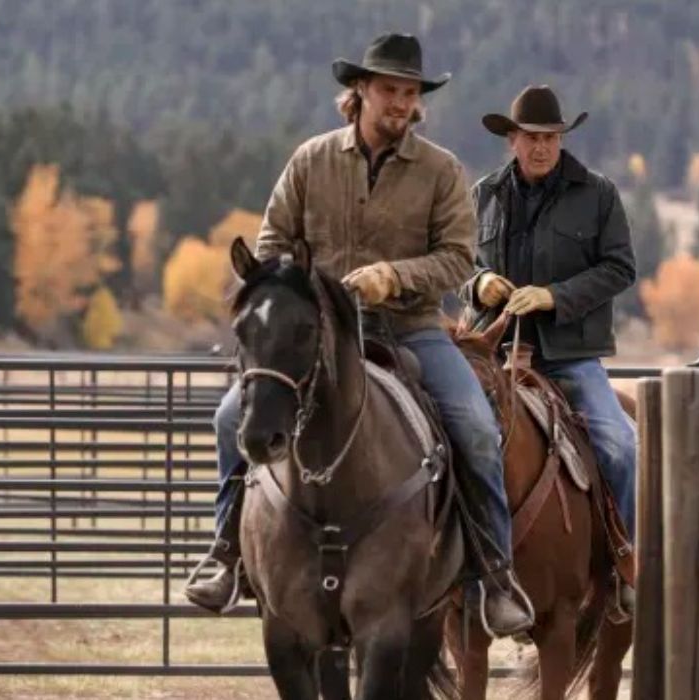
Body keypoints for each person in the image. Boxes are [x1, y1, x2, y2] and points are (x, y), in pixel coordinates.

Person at [185, 33, 534, 638]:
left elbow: (457, 258)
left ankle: (493, 575)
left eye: (409, 93)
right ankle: (225, 551)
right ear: (360, 92)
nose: (399, 103)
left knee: (476, 427)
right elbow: (270, 246)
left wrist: (392, 278)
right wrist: (299, 294)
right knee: (227, 418)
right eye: (388, 91)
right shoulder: (310, 161)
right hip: (317, 335)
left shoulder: (441, 171)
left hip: (412, 326)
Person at [465, 84, 639, 616]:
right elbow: (458, 263)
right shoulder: (484, 194)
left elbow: (620, 268)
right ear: (511, 139)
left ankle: (623, 565)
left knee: (618, 446)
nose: (542, 147)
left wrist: (554, 296)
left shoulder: (599, 193)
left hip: (568, 354)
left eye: (551, 137)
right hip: (490, 353)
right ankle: (442, 570)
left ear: (561, 139)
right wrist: (480, 284)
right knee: (435, 437)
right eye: (532, 137)